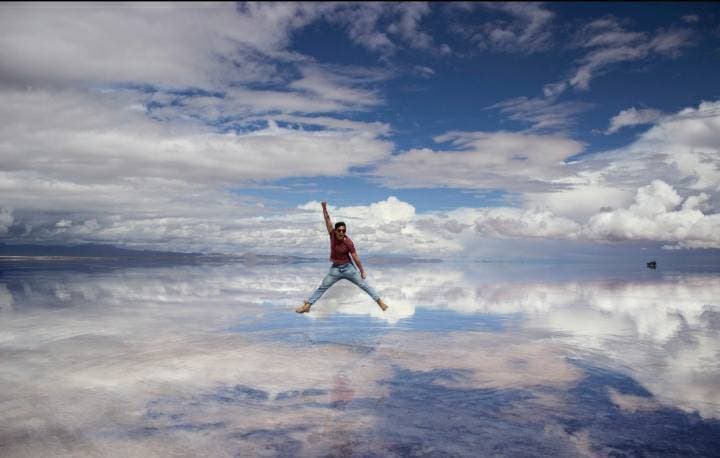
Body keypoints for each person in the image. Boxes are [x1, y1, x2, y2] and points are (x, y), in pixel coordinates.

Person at [296, 201, 389, 313]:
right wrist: (324, 208)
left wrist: (362, 271)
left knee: (364, 285)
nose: (341, 232)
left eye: (343, 231)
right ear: (335, 231)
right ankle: (308, 306)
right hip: (335, 269)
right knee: (322, 287)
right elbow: (327, 220)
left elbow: (355, 257)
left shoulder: (348, 242)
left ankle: (380, 303)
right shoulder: (332, 235)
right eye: (339, 230)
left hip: (348, 268)